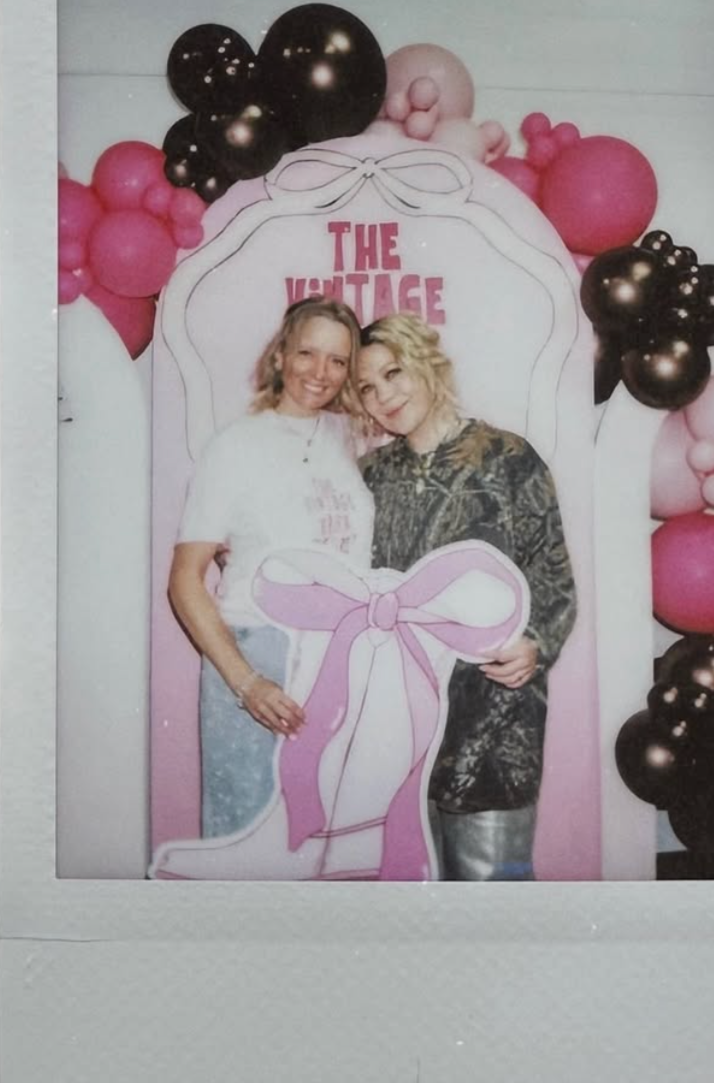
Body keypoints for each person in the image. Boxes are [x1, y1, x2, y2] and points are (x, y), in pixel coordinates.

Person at [357, 313, 577, 881]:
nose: (384, 395)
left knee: (492, 904)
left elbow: (552, 574)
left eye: (393, 372)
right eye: (367, 388)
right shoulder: (368, 476)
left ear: (427, 361)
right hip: (396, 733)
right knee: (409, 907)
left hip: (496, 720)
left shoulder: (508, 458)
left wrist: (536, 643)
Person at [169, 297, 374, 838]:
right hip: (257, 656)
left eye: (337, 360)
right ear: (280, 355)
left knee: (330, 845)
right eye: (307, 353)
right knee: (243, 841)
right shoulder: (234, 446)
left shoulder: (350, 438)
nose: (320, 372)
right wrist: (247, 683)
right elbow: (185, 580)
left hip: (340, 659)